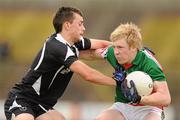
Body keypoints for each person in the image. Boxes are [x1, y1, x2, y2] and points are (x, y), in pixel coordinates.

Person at [4, 6, 116, 120]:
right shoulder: (56, 46)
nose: (83, 28)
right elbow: (88, 74)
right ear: (67, 25)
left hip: (42, 105)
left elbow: (101, 46)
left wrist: (123, 49)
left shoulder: (74, 43)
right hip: (23, 99)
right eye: (80, 24)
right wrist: (117, 82)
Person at [93, 23, 171, 120]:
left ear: (133, 47)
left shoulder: (149, 64)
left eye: (120, 47)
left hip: (148, 108)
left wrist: (139, 99)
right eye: (114, 46)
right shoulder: (113, 53)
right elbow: (89, 54)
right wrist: (72, 47)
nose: (116, 52)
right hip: (122, 106)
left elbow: (165, 98)